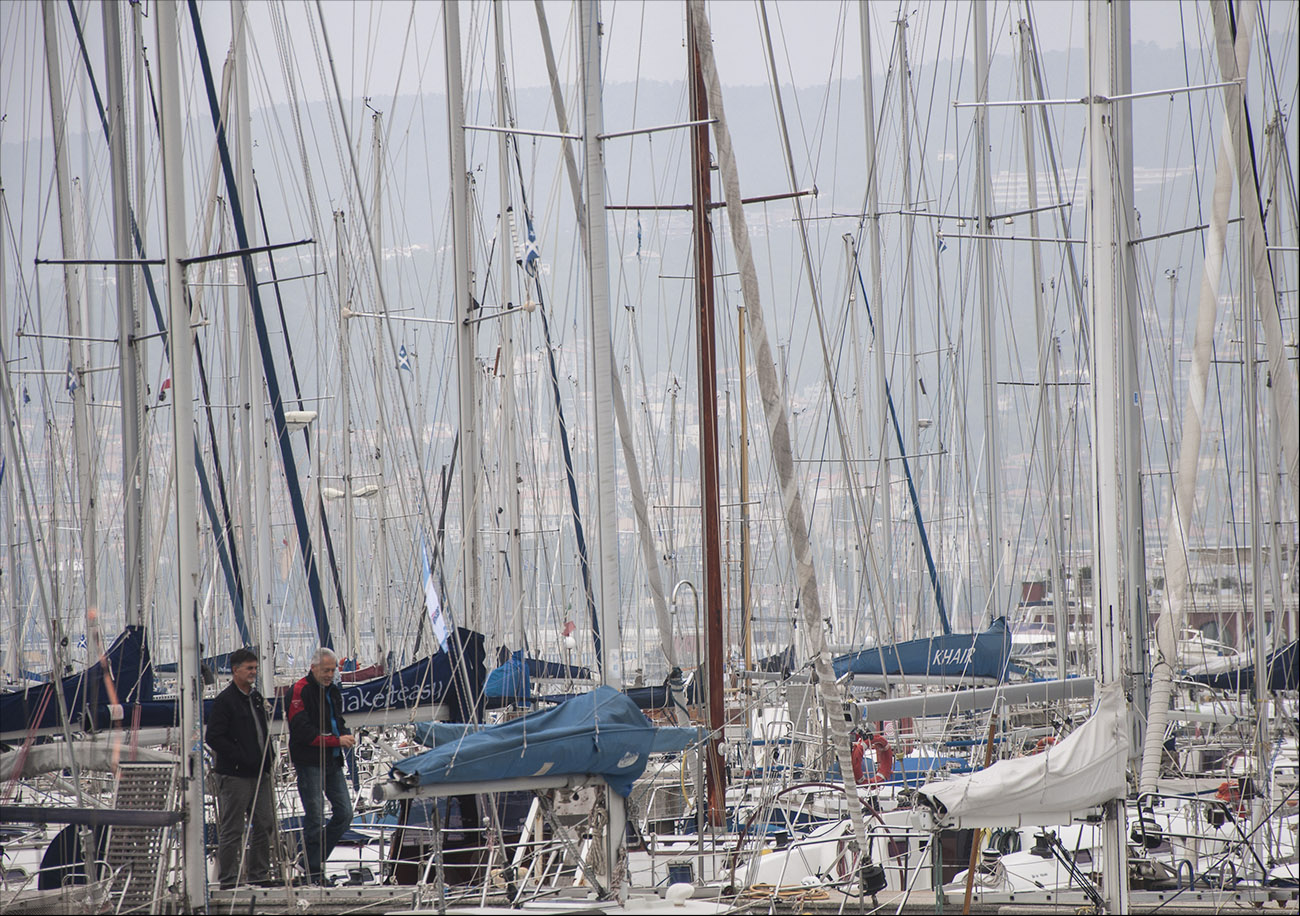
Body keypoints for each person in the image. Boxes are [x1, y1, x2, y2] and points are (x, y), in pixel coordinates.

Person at [205, 647, 276, 889]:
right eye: (249, 668)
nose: (254, 672)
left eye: (255, 668)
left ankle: (259, 874)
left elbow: (261, 731)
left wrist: (269, 757)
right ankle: (229, 880)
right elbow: (214, 737)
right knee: (233, 828)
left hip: (260, 773)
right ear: (235, 671)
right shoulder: (225, 702)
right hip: (235, 775)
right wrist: (241, 756)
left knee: (264, 823)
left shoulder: (255, 698)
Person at [287, 647, 355, 886]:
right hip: (309, 762)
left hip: (332, 761)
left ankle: (309, 861)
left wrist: (345, 735)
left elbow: (338, 720)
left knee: (345, 814)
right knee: (315, 817)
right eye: (326, 670)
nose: (330, 674)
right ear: (313, 667)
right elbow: (302, 730)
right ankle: (313, 873)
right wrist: (337, 740)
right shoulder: (299, 690)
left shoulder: (332, 690)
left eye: (333, 670)